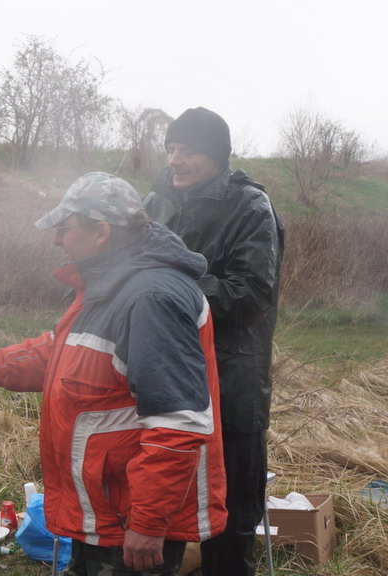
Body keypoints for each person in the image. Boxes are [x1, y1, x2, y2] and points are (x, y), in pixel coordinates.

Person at [0, 172, 227, 576]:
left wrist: (148, 523)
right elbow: (66, 351)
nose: (56, 240)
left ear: (101, 231)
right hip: (107, 508)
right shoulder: (108, 284)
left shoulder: (150, 298)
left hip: (132, 520)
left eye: (64, 229)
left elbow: (178, 423)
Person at [144, 107, 285, 576]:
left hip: (230, 386)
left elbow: (252, 295)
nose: (175, 160)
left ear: (217, 156)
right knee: (160, 515)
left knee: (229, 525)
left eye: (188, 150)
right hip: (163, 384)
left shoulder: (249, 207)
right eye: (170, 149)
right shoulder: (155, 203)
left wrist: (170, 287)